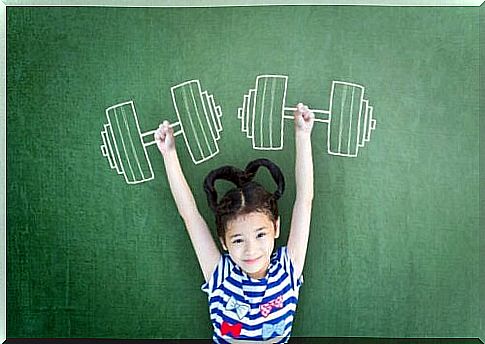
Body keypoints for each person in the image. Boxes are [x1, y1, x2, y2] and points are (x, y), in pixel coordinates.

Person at [155, 103, 314, 343]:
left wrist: (302, 135)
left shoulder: (287, 269)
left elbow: (304, 201)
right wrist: (169, 154)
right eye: (238, 239)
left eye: (260, 235)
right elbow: (190, 214)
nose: (251, 249)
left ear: (276, 228)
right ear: (224, 242)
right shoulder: (220, 275)